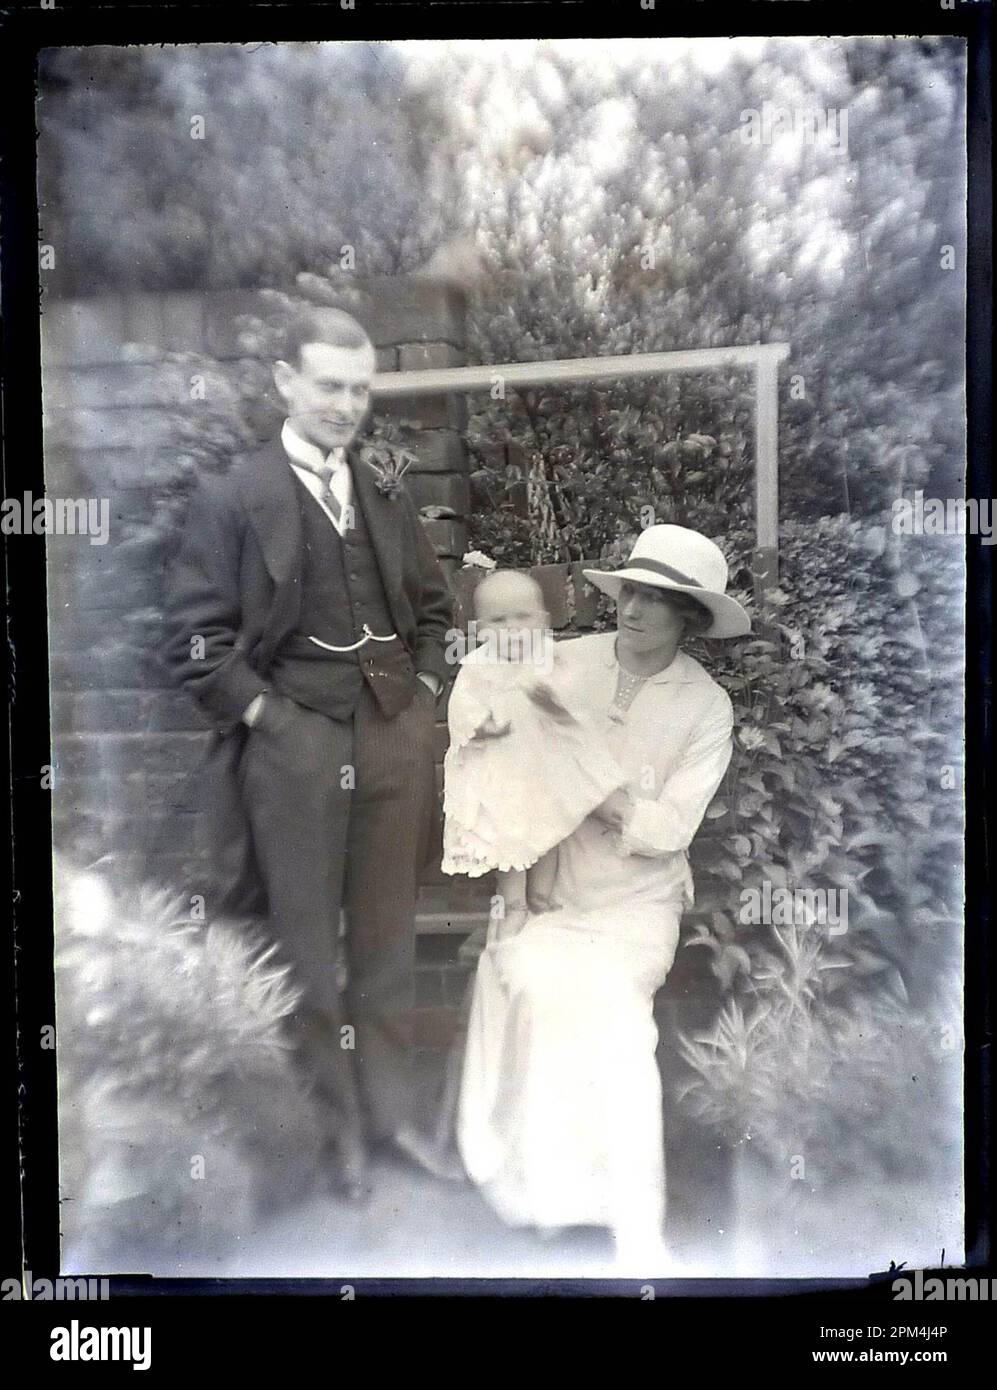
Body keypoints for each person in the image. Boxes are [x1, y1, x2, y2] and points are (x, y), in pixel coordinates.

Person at [162, 306, 454, 1199]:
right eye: (329, 385)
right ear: (286, 383)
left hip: (392, 737)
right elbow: (194, 643)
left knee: (385, 944)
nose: (346, 404)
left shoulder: (384, 489)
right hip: (292, 746)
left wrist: (428, 695)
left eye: (360, 388)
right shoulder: (232, 498)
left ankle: (393, 1121)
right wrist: (271, 721)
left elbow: (434, 609)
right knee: (302, 950)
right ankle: (336, 1139)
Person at [454, 524, 750, 1271]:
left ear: (689, 619)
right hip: (550, 889)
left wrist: (592, 787)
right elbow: (495, 747)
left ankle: (633, 1225)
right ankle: (544, 1198)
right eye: (632, 594)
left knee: (611, 1012)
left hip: (634, 904)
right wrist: (513, 882)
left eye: (659, 602)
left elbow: (668, 827)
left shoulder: (704, 707)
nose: (637, 611)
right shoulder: (566, 662)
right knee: (527, 978)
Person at [441, 569, 624, 942]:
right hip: (502, 774)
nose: (511, 629)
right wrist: (480, 725)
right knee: (510, 839)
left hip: (544, 768)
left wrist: (555, 700)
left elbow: (577, 702)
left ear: (542, 622)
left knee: (550, 830)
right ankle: (514, 906)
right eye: (498, 620)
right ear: (478, 629)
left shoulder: (550, 660)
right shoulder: (477, 665)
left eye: (522, 618)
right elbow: (460, 707)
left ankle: (542, 897)